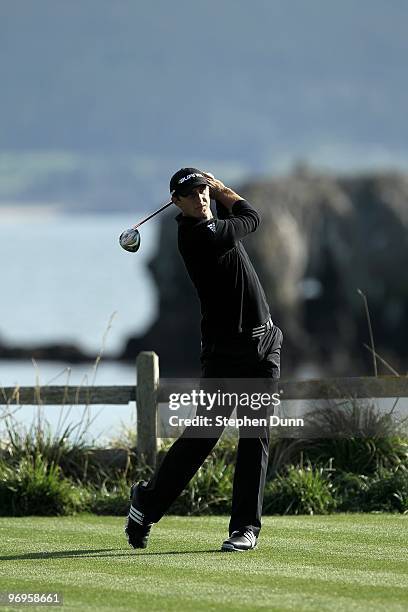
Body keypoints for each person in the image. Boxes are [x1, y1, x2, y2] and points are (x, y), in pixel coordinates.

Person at [125, 168, 283, 552]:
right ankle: (146, 502)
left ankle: (245, 528)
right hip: (224, 357)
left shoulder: (213, 221)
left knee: (254, 437)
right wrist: (226, 189)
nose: (201, 198)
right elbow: (252, 218)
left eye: (203, 191)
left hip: (264, 348)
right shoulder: (198, 235)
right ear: (177, 202)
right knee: (202, 437)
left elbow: (240, 218)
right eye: (193, 194)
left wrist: (218, 193)